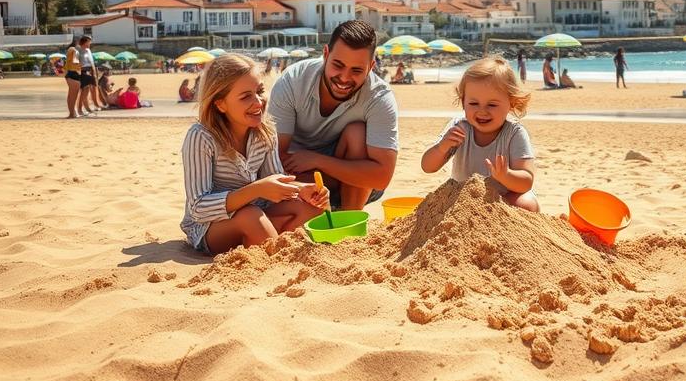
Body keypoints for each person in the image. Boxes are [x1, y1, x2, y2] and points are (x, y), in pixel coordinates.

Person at [181, 53, 328, 255]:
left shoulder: (264, 132)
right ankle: (276, 256)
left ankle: (262, 241)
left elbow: (275, 180)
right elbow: (198, 208)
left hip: (256, 210)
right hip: (210, 227)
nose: (258, 102)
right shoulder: (201, 137)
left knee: (311, 207)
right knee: (250, 216)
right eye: (245, 96)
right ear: (220, 104)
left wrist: (302, 189)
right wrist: (255, 190)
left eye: (259, 91)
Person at [267, 20, 398, 211]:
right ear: (326, 55)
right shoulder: (294, 81)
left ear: (370, 67)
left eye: (356, 70)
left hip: (352, 181)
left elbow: (381, 178)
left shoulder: (379, 97)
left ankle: (348, 222)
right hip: (300, 175)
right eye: (338, 65)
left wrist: (318, 160)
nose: (344, 78)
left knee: (357, 132)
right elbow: (274, 160)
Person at [421, 56, 538, 212]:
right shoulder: (460, 128)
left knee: (527, 203)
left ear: (512, 103)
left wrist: (506, 175)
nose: (482, 111)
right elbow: (427, 167)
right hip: (463, 202)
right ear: (463, 102)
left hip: (502, 201)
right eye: (474, 103)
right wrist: (442, 147)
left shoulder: (514, 134)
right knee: (434, 203)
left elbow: (526, 181)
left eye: (492, 104)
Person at [78, 36, 102, 113]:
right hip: (82, 71)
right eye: (89, 42)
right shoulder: (78, 50)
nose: (90, 43)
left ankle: (93, 105)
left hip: (90, 70)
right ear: (84, 42)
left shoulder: (88, 50)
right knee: (85, 90)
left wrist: (94, 72)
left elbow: (91, 61)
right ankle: (80, 108)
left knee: (93, 88)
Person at [64, 37, 84, 118]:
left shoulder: (72, 49)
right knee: (73, 95)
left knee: (72, 95)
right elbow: (75, 61)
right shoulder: (73, 49)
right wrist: (81, 65)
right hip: (72, 72)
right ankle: (72, 113)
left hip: (72, 73)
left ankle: (73, 112)